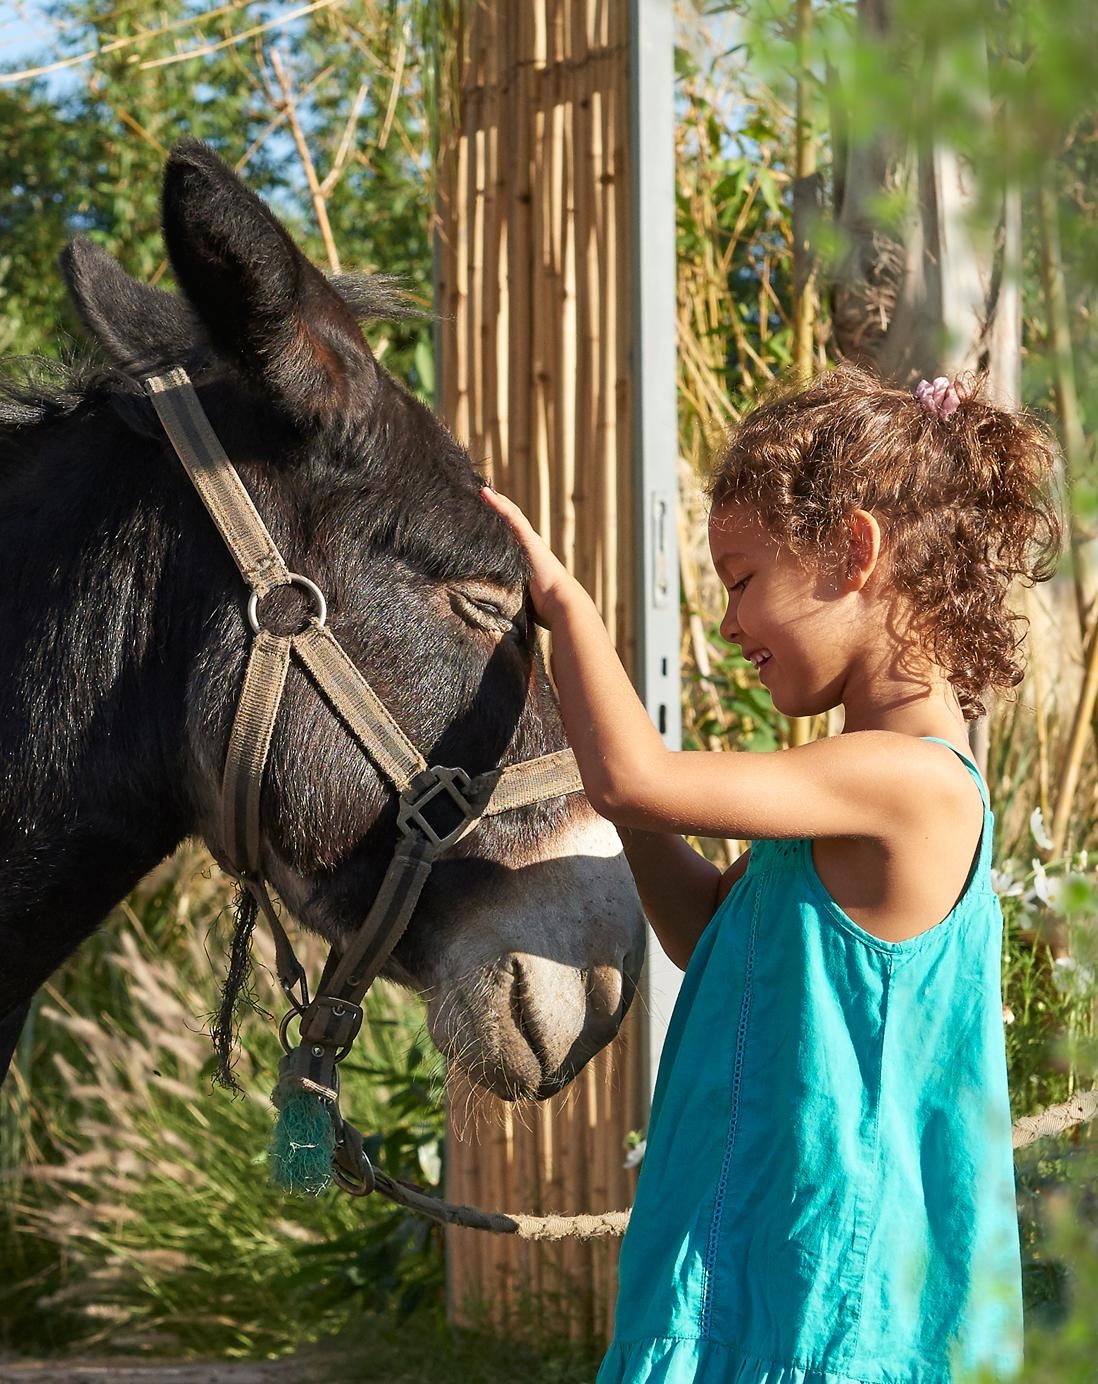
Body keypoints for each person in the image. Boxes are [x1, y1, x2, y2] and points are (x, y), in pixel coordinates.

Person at [480, 363, 1063, 1384]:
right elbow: (710, 933)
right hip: (742, 1290)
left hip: (830, 1321)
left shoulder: (913, 786)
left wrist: (562, 603)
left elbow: (640, 777)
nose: (730, 624)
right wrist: (603, 773)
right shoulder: (835, 807)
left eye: (744, 579)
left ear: (855, 551)